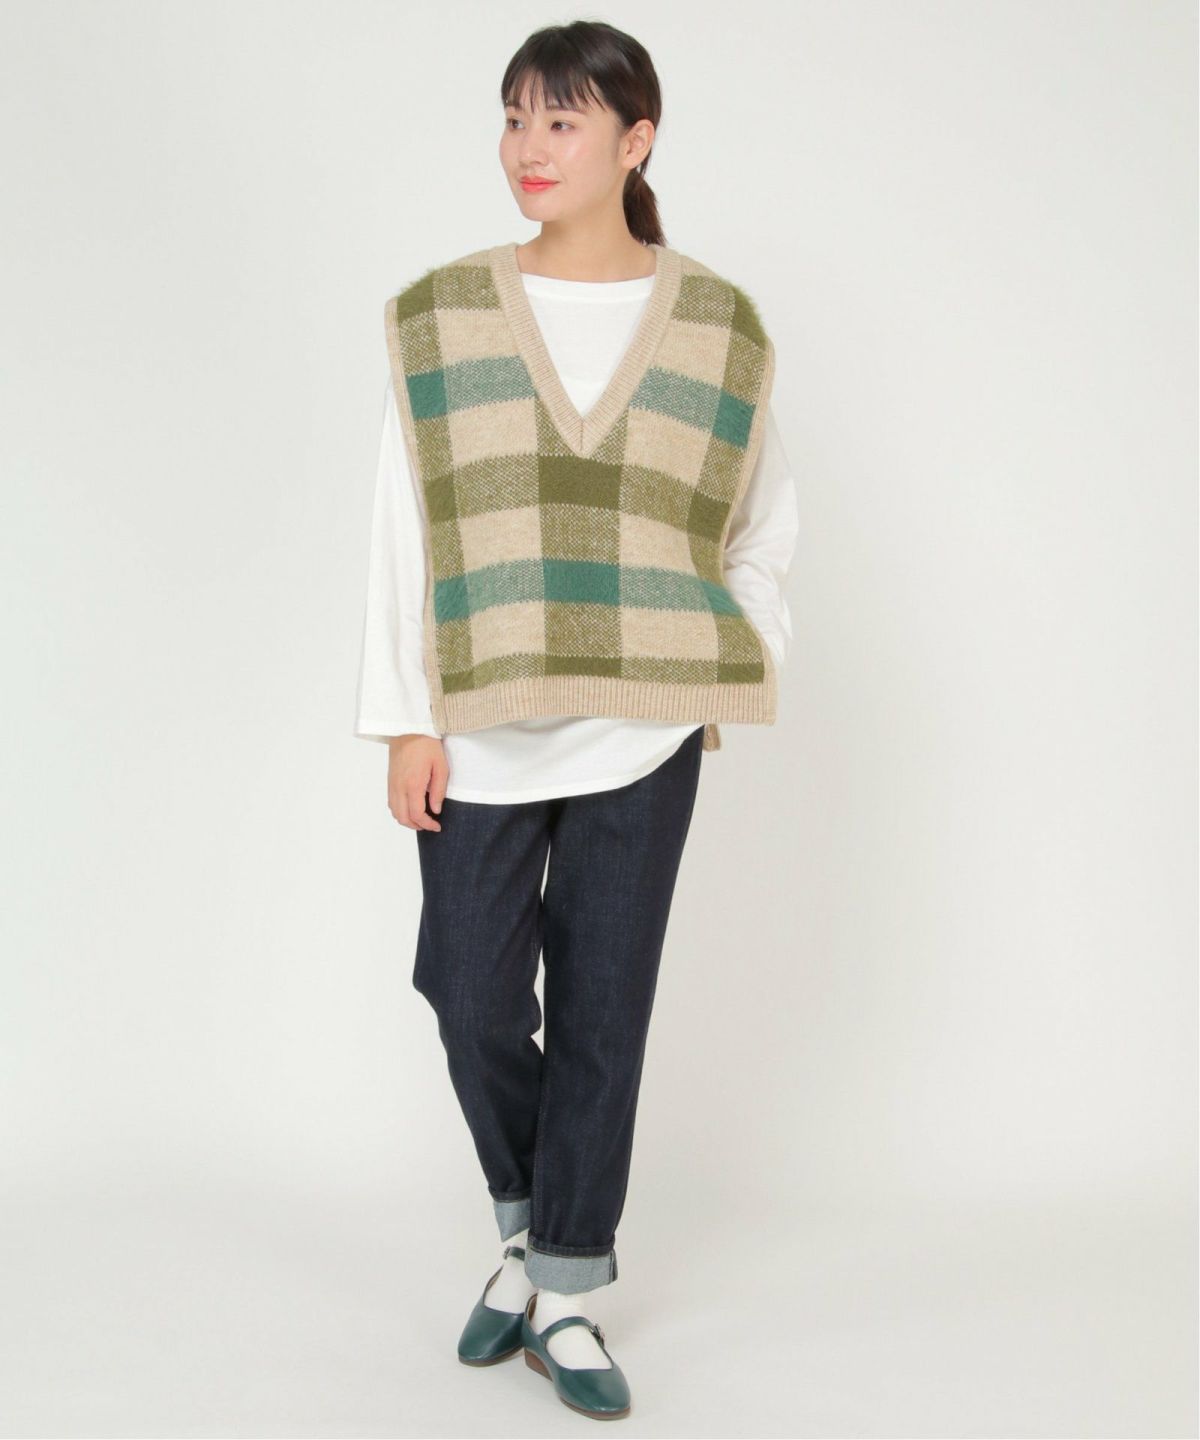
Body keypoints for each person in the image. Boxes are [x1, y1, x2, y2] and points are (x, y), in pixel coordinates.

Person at [354, 19, 799, 1421]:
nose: (527, 148)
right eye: (514, 118)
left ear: (634, 139)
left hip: (643, 727)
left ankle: (565, 1286)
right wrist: (405, 720)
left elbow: (759, 522)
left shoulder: (719, 326)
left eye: (560, 120)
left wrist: (731, 650)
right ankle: (531, 1224)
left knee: (605, 1008)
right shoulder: (442, 315)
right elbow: (405, 533)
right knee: (469, 989)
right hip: (481, 717)